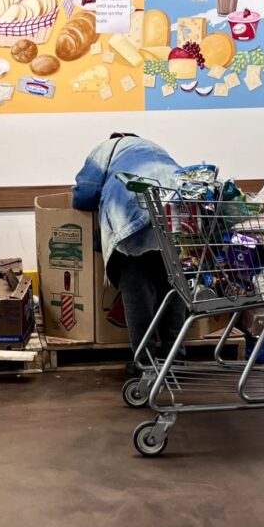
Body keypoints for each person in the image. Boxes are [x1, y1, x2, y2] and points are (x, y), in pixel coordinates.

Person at [71, 134, 187, 359]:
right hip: (177, 214)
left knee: (137, 290)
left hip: (133, 212)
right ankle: (175, 357)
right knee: (173, 287)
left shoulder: (107, 148)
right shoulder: (156, 147)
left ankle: (145, 360)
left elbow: (84, 195)